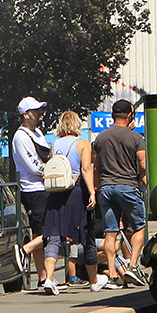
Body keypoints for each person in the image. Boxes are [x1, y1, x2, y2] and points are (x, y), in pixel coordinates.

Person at [40, 111, 104, 294]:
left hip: (56, 194)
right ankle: (93, 280)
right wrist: (92, 192)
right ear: (77, 124)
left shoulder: (54, 145)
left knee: (53, 236)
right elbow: (86, 169)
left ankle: (49, 278)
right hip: (76, 193)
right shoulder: (83, 144)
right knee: (87, 236)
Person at [92, 99, 148, 287]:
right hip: (128, 186)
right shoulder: (135, 138)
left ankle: (113, 273)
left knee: (111, 232)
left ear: (112, 115)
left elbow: (96, 167)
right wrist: (139, 179)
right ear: (130, 115)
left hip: (106, 188)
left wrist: (98, 188)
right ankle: (132, 265)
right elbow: (143, 164)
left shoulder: (101, 138)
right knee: (139, 226)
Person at [11, 96, 52, 287]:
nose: (40, 114)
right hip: (33, 189)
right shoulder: (21, 137)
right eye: (36, 111)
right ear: (26, 115)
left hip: (44, 187)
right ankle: (24, 250)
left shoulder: (38, 133)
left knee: (39, 233)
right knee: (50, 232)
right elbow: (33, 166)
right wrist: (50, 171)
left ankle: (43, 278)